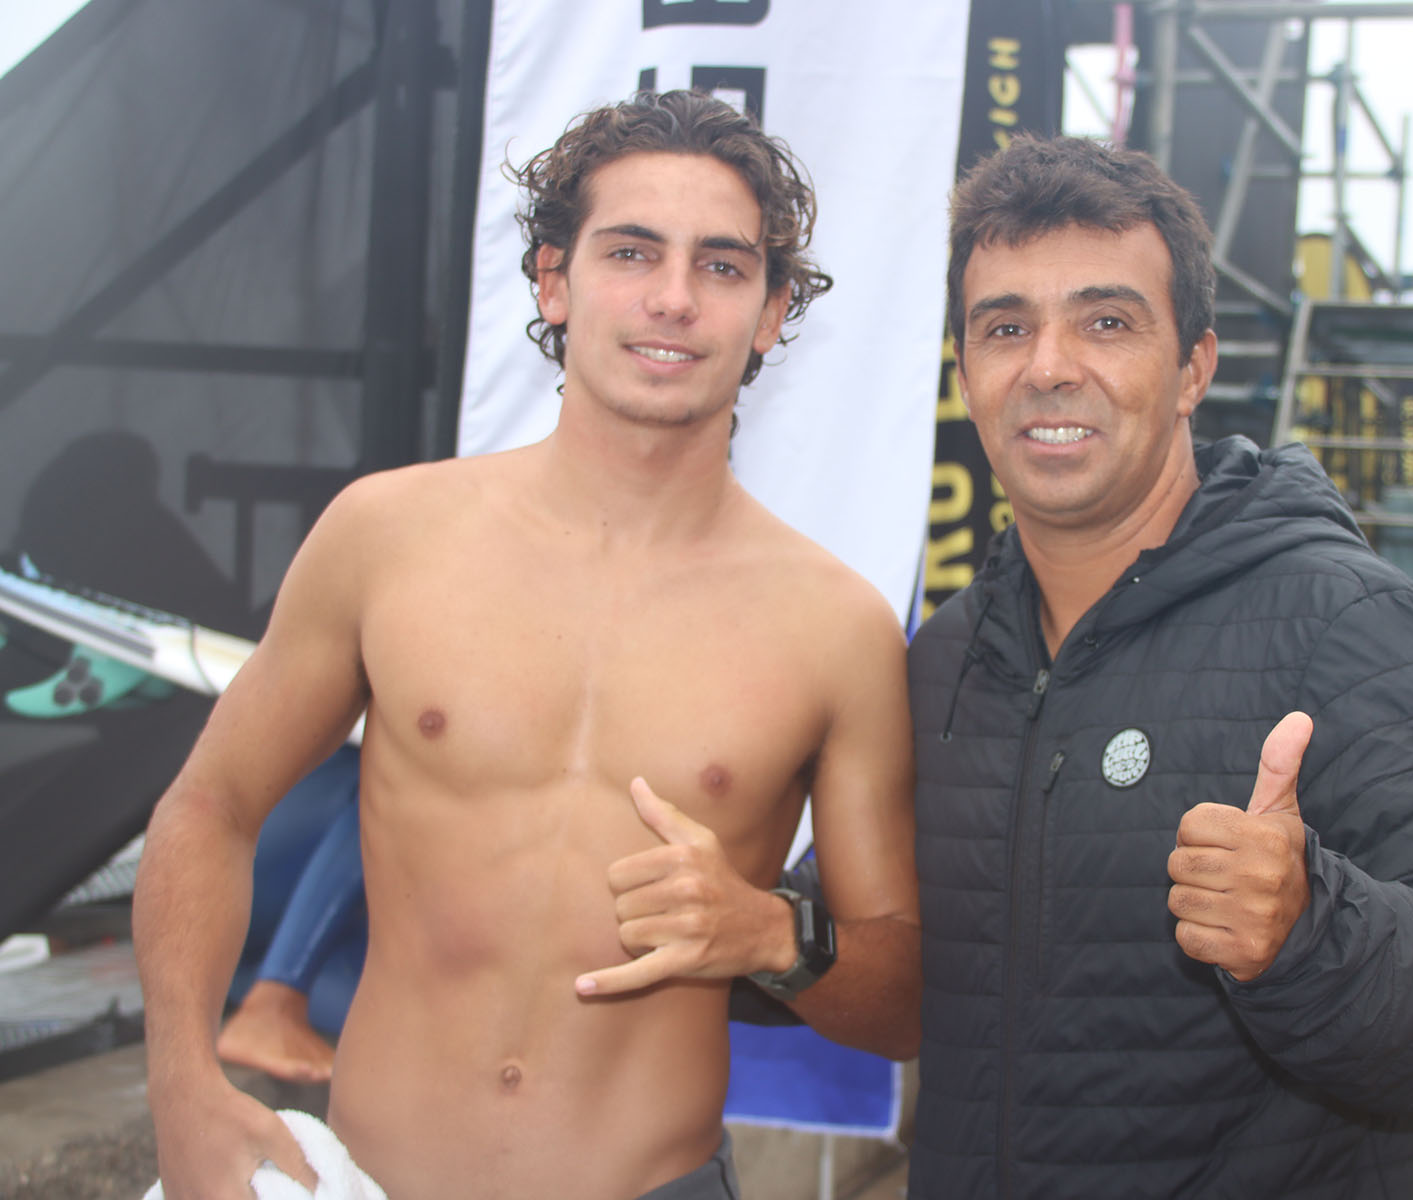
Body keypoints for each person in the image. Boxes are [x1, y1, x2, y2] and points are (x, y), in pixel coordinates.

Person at [133, 90, 919, 1200]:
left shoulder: (836, 627)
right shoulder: (387, 536)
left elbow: (903, 1001)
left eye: (723, 266)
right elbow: (208, 808)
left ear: (772, 312)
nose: (674, 297)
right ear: (555, 278)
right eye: (632, 252)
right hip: (373, 1178)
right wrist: (180, 1084)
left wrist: (770, 934)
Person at [904, 135, 1413, 1198]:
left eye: (1106, 321)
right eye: (1006, 327)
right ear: (967, 374)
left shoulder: (1344, 620)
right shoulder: (949, 657)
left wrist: (1314, 930)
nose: (1048, 366)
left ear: (1195, 369)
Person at [217, 746, 366, 1084]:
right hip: (260, 869)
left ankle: (259, 990)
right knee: (413, 775)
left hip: (334, 942)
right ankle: (274, 1000)